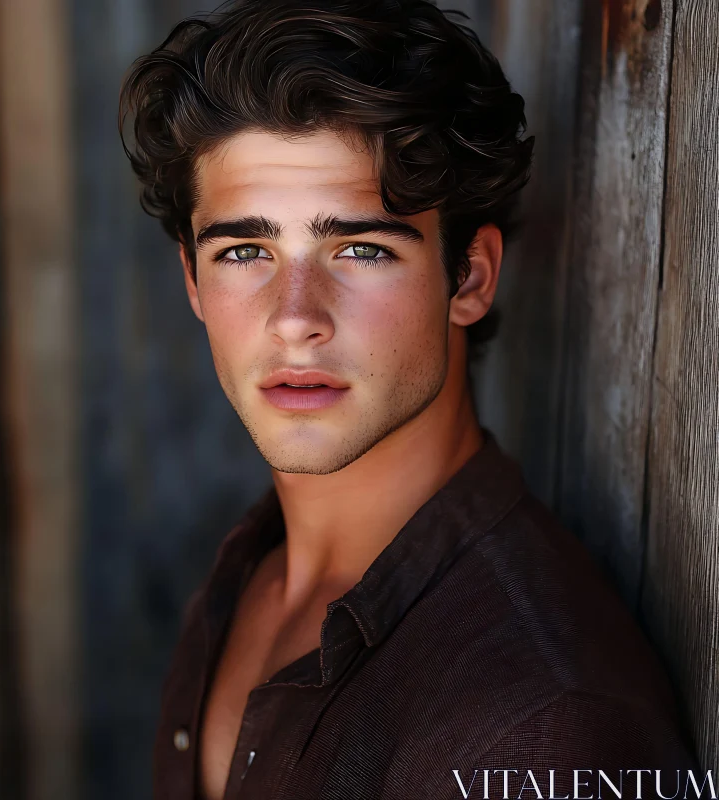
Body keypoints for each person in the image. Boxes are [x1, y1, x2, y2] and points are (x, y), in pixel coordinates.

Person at [118, 1, 699, 797]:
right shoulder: (245, 580)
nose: (294, 320)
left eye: (360, 248)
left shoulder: (543, 730)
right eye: (245, 250)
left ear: (470, 277)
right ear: (191, 279)